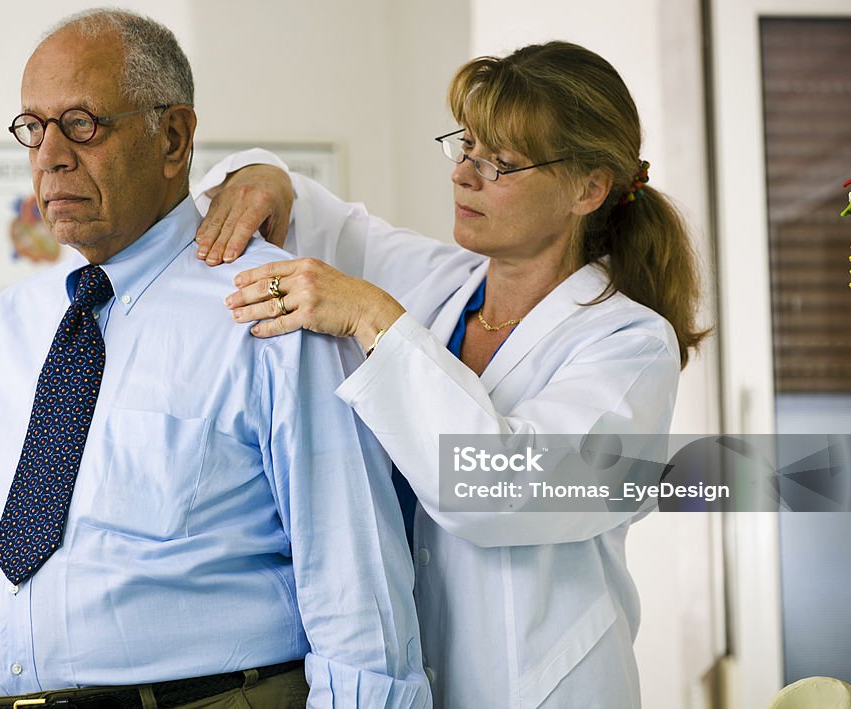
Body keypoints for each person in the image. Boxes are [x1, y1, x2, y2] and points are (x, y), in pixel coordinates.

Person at [0, 9, 429, 709]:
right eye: (34, 126)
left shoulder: (271, 309)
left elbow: (355, 590)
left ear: (174, 138)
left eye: (82, 123)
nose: (50, 155)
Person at [192, 41, 707, 709]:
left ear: (589, 188)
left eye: (502, 162)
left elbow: (495, 490)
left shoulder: (631, 347)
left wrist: (373, 316)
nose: (465, 174)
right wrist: (264, 174)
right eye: (465, 145)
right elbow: (315, 212)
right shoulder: (436, 282)